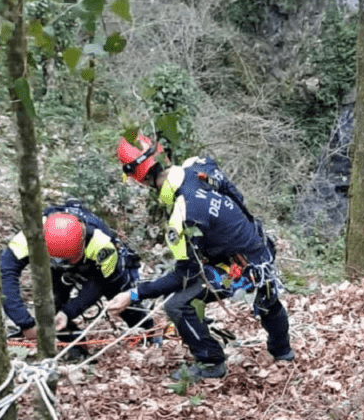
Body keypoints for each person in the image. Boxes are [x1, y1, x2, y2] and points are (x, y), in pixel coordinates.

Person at [108, 135, 293, 382]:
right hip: (256, 245)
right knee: (268, 300)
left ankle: (210, 361)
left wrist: (134, 294)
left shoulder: (182, 217)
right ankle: (283, 352)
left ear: (140, 180)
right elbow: (231, 193)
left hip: (240, 267)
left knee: (177, 304)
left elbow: (185, 275)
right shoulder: (199, 165)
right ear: (164, 155)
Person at [0, 200, 156, 355]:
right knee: (53, 303)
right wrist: (25, 323)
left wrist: (69, 311)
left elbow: (100, 285)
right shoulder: (31, 234)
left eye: (66, 259)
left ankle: (150, 329)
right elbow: (5, 274)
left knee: (126, 296)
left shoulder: (102, 244)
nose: (63, 263)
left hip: (99, 268)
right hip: (54, 267)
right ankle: (76, 347)